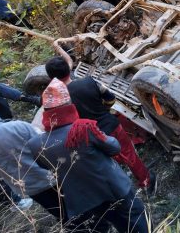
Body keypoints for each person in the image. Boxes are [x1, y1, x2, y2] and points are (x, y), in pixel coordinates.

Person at [27, 79, 150, 232]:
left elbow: (49, 168)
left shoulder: (35, 144)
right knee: (135, 218)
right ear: (68, 105)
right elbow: (114, 147)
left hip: (84, 200)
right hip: (113, 188)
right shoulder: (83, 127)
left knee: (116, 221)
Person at [44, 56, 156, 193]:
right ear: (68, 68)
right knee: (129, 154)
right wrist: (104, 110)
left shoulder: (59, 101)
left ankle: (122, 190)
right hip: (110, 125)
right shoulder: (89, 82)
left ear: (51, 78)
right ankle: (146, 181)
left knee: (107, 162)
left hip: (89, 136)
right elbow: (111, 99)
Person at [0, 93, 65, 221]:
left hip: (28, 187)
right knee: (73, 203)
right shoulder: (17, 126)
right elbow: (45, 143)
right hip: (51, 176)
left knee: (59, 212)